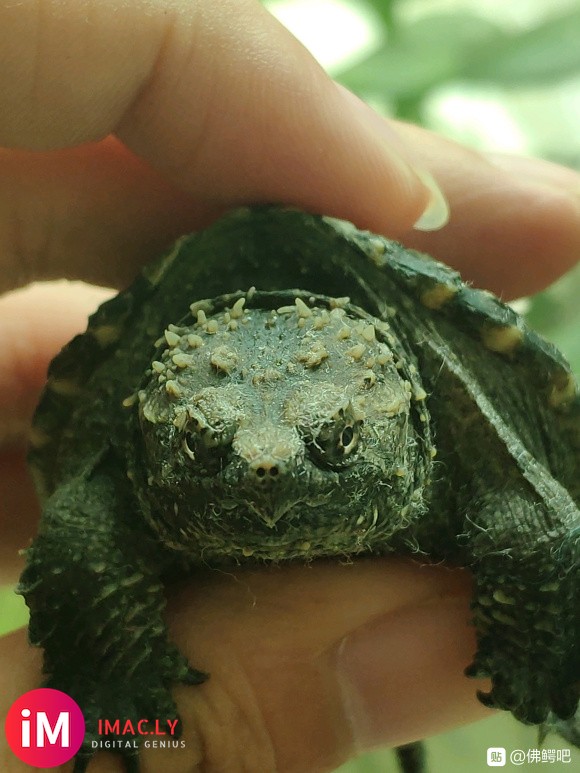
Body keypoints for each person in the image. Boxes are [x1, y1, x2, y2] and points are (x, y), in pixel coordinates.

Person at [1, 1, 579, 771]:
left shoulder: (449, 387)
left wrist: (541, 659)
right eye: (208, 443)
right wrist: (114, 707)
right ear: (154, 426)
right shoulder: (120, 474)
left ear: (402, 420)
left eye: (335, 437)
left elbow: (541, 529)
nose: (264, 464)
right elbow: (81, 538)